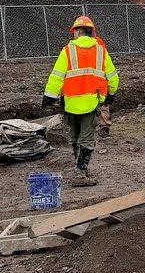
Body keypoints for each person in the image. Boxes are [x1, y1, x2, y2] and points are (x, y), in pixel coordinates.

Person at [42, 16, 119, 187]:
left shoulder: (67, 51)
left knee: (75, 137)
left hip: (71, 103)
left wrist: (49, 97)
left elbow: (57, 76)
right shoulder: (100, 51)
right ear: (91, 32)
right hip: (91, 103)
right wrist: (111, 94)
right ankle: (80, 172)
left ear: (77, 31)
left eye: (74, 31)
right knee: (87, 139)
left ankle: (79, 168)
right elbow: (112, 76)